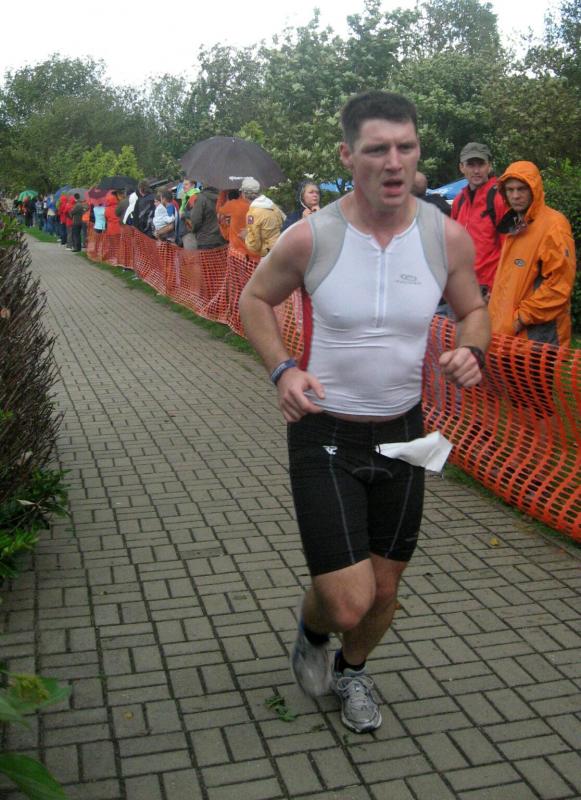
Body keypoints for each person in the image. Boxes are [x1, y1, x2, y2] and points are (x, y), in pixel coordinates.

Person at [239, 91, 490, 734]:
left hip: (404, 434)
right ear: (348, 156)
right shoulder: (311, 237)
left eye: (406, 147)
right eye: (377, 149)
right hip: (324, 432)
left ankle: (353, 672)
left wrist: (472, 350)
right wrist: (282, 369)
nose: (394, 162)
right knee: (347, 601)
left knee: (384, 590)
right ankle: (313, 628)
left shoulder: (444, 236)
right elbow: (254, 300)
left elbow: (473, 310)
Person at [488, 161, 576, 347]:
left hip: (537, 340)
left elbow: (559, 286)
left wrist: (521, 318)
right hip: (509, 339)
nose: (515, 195)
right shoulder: (515, 225)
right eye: (510, 190)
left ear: (534, 189)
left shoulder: (554, 226)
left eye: (521, 189)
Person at [451, 142, 508, 298]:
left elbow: (510, 249)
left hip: (490, 291)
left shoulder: (499, 198)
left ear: (489, 166)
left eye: (481, 164)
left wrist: (498, 288)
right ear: (461, 167)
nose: (476, 171)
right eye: (470, 165)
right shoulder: (459, 201)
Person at [241, 178, 285, 257]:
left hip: (270, 254)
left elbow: (254, 245)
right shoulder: (271, 205)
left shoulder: (252, 214)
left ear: (244, 194)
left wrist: (246, 237)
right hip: (282, 246)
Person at [188, 185, 227, 250]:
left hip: (205, 240)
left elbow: (196, 220)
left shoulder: (201, 198)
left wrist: (193, 230)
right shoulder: (223, 197)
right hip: (221, 239)